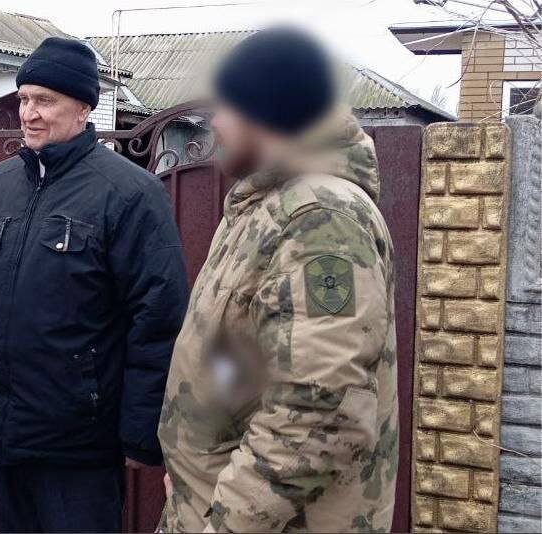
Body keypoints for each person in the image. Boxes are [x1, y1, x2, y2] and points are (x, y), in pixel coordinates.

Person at [0, 36, 189, 533]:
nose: (29, 113)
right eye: (23, 99)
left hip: (82, 440)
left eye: (45, 100)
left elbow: (157, 318)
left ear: (83, 108)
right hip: (8, 430)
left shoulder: (129, 193)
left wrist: (140, 431)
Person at [158, 27, 398, 532]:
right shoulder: (266, 205)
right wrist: (190, 472)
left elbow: (318, 415)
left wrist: (224, 520)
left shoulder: (320, 217)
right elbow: (240, 363)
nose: (216, 123)